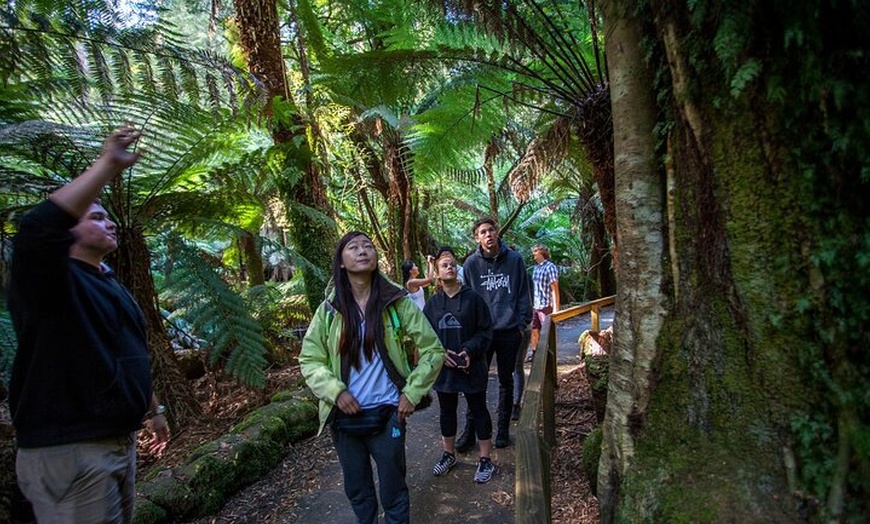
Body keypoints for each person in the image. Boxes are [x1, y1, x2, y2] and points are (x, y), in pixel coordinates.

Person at [7, 127, 170, 523]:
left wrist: (153, 410)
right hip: (71, 450)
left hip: (116, 442)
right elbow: (35, 230)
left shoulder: (107, 281)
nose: (110, 224)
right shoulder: (48, 281)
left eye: (109, 218)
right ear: (65, 230)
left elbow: (128, 353)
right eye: (96, 216)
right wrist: (107, 165)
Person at [299, 232, 444, 524]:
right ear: (341, 262)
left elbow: (433, 349)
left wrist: (412, 393)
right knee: (359, 492)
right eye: (353, 247)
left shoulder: (396, 303)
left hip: (388, 414)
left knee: (394, 493)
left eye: (368, 246)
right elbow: (310, 359)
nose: (362, 251)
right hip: (344, 419)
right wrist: (335, 392)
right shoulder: (329, 310)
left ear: (376, 258)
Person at [455, 218, 531, 451]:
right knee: (475, 382)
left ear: (497, 233)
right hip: (482, 333)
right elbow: (466, 298)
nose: (488, 235)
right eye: (482, 232)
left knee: (506, 381)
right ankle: (470, 432)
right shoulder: (471, 264)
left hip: (509, 331)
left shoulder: (515, 260)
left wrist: (521, 323)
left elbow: (523, 293)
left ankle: (502, 430)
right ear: (477, 237)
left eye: (491, 230)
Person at [423, 247, 495, 483]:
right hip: (444, 369)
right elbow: (425, 336)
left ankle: (485, 459)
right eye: (444, 265)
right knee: (447, 411)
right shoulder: (432, 305)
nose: (449, 267)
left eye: (453, 264)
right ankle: (448, 454)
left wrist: (469, 351)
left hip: (471, 366)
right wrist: (440, 354)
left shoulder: (473, 299)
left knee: (478, 409)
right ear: (437, 271)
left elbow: (486, 331)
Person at [512, 243, 560, 420]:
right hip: (535, 305)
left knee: (548, 333)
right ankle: (535, 352)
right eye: (532, 251)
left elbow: (555, 287)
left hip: (546, 305)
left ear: (543, 252)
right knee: (534, 330)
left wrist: (556, 309)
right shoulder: (536, 269)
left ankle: (548, 359)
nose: (533, 254)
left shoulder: (550, 267)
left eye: (535, 251)